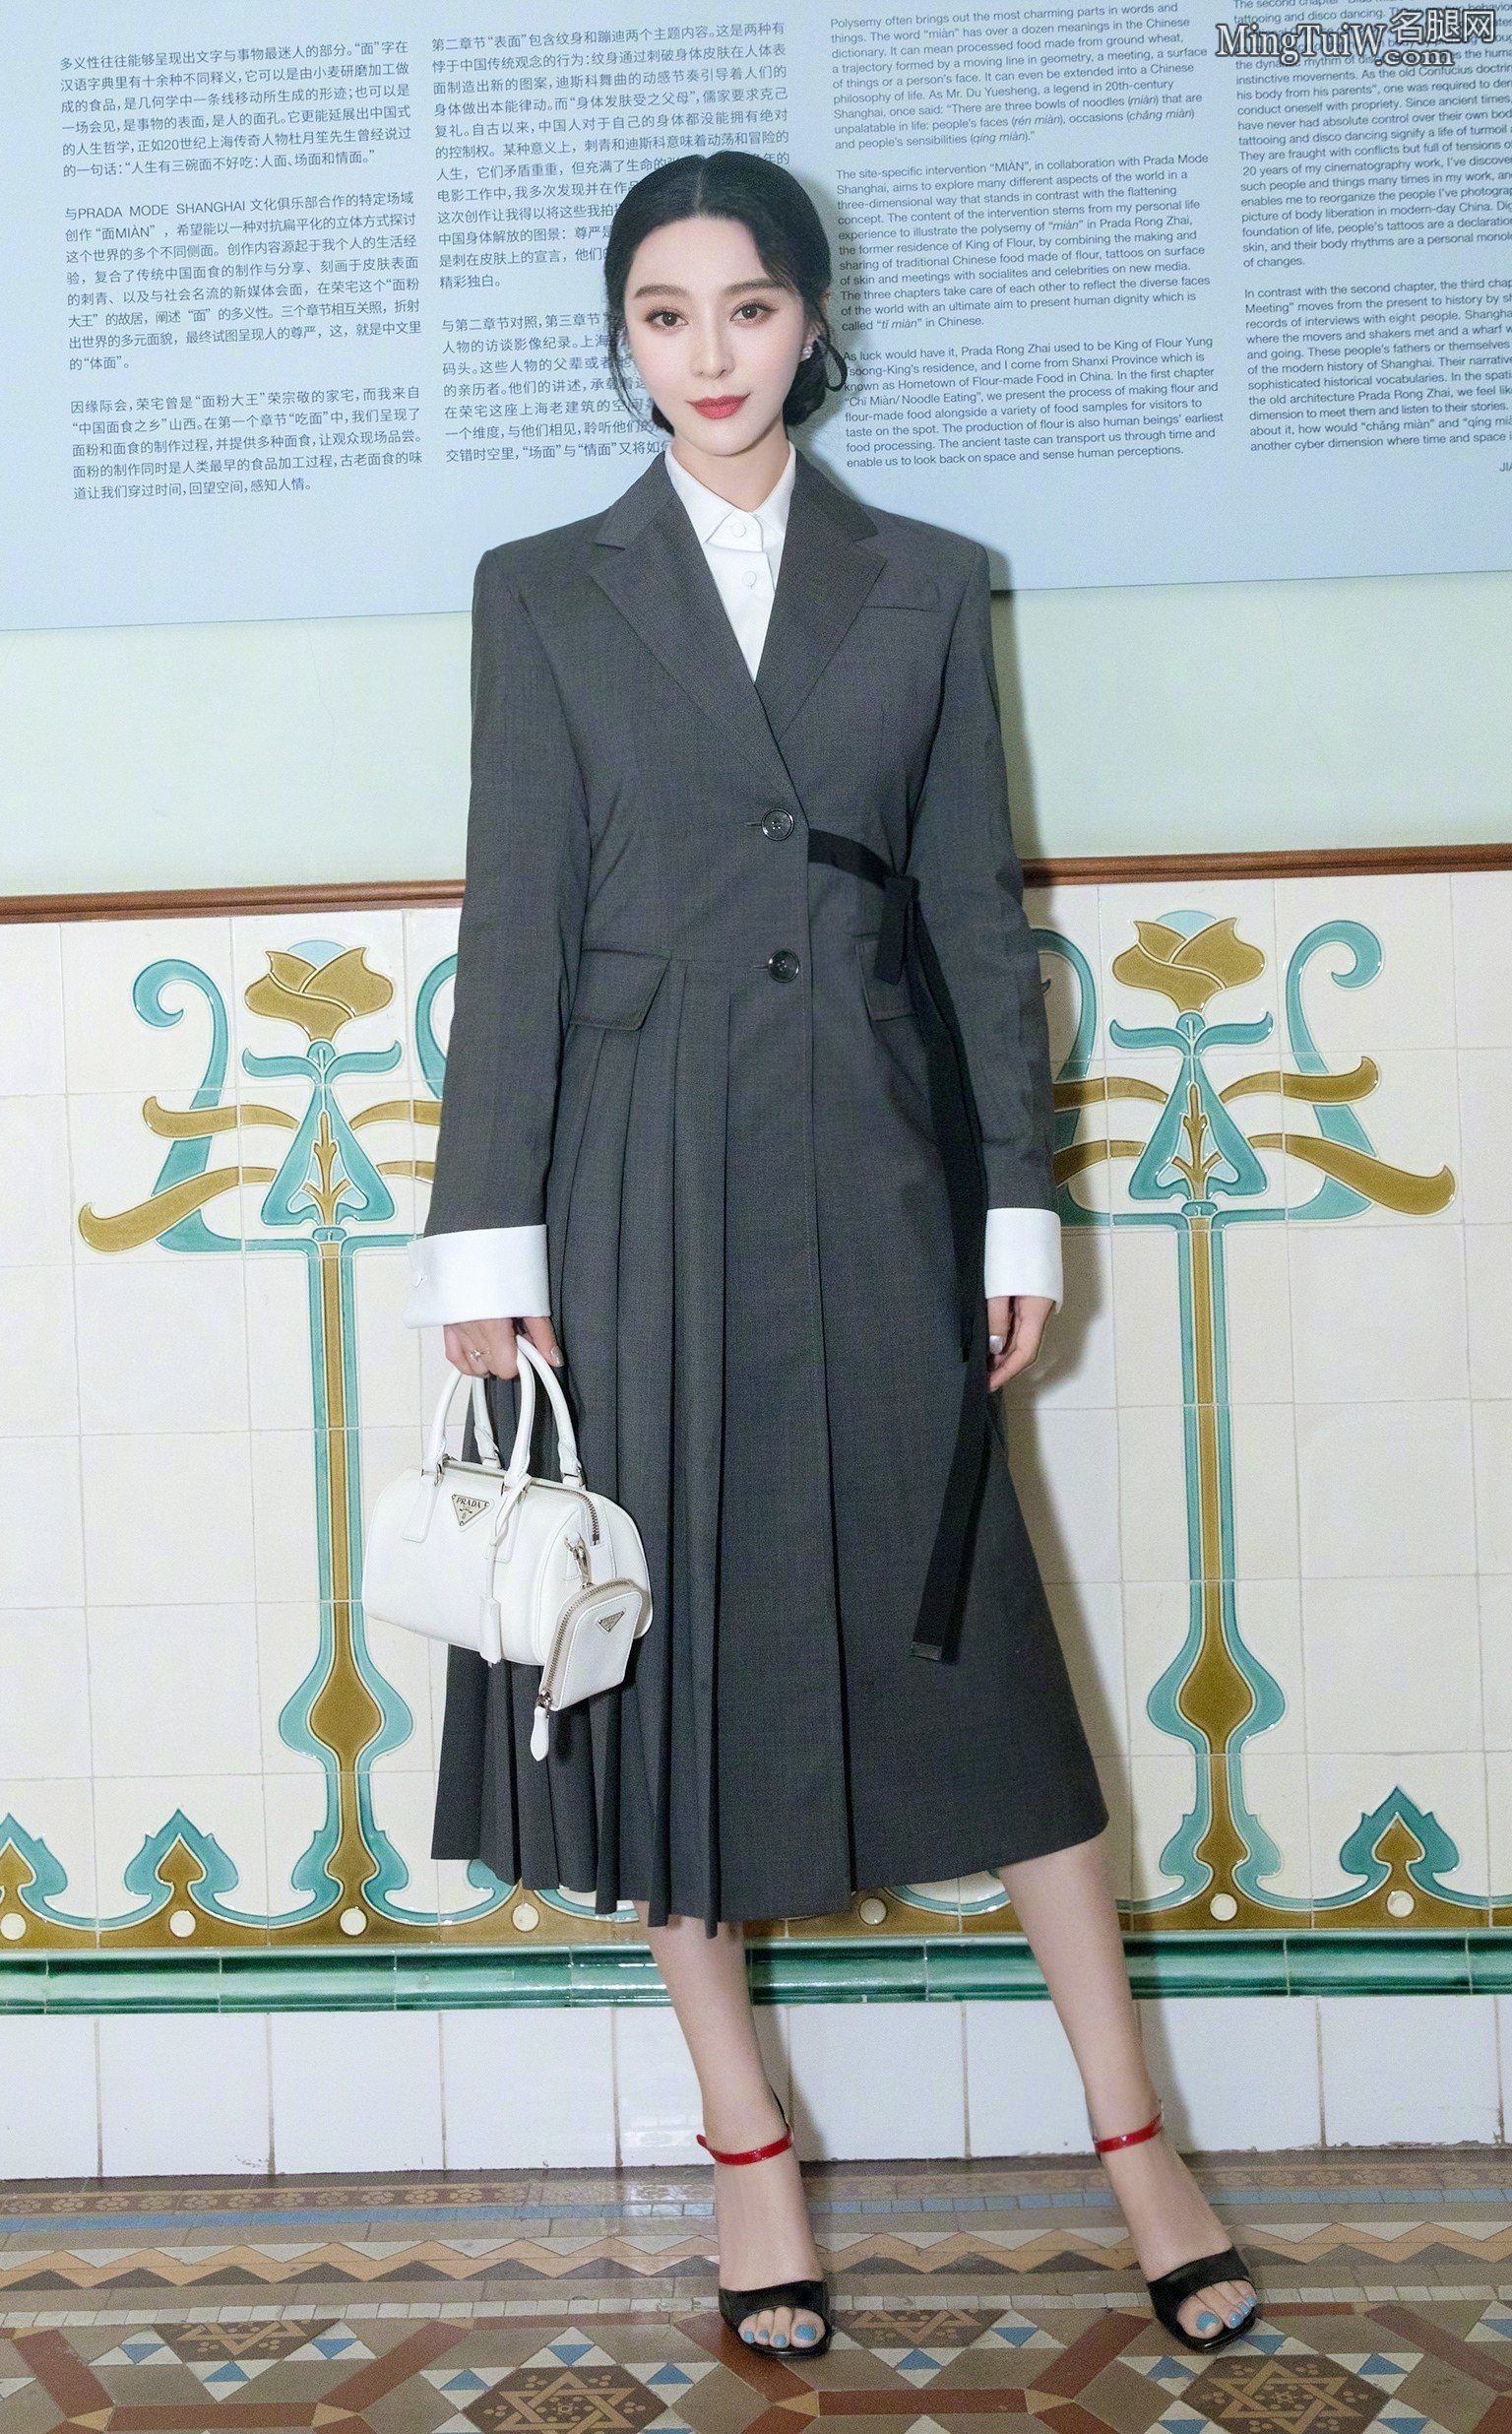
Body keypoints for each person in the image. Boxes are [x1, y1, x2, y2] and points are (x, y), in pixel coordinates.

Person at [405, 151, 1257, 2364]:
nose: (711, 355)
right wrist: (483, 1240)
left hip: (881, 1177)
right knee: (656, 1661)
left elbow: (976, 917)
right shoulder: (543, 593)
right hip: (632, 1182)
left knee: (982, 1656)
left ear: (812, 319)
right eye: (665, 313)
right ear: (623, 338)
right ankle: (747, 2152)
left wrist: (1015, 1201)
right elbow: (516, 919)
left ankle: (1136, 2141)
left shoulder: (927, 584)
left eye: (751, 307)